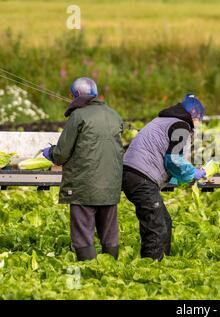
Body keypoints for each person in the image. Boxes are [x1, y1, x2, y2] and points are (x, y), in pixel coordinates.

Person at [43, 77, 124, 261]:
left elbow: (61, 154)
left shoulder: (78, 116)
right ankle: (111, 269)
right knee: (110, 232)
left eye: (72, 95)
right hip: (110, 186)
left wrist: (49, 153)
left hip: (83, 186)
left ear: (77, 95)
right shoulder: (114, 115)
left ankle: (89, 271)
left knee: (82, 233)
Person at [122, 94, 206, 260]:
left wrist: (181, 178)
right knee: (156, 226)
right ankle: (151, 268)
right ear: (194, 115)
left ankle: (161, 262)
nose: (198, 123)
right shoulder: (181, 125)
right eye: (199, 119)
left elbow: (164, 159)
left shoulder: (164, 120)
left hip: (132, 173)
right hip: (141, 176)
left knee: (164, 221)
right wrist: (192, 173)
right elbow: (173, 159)